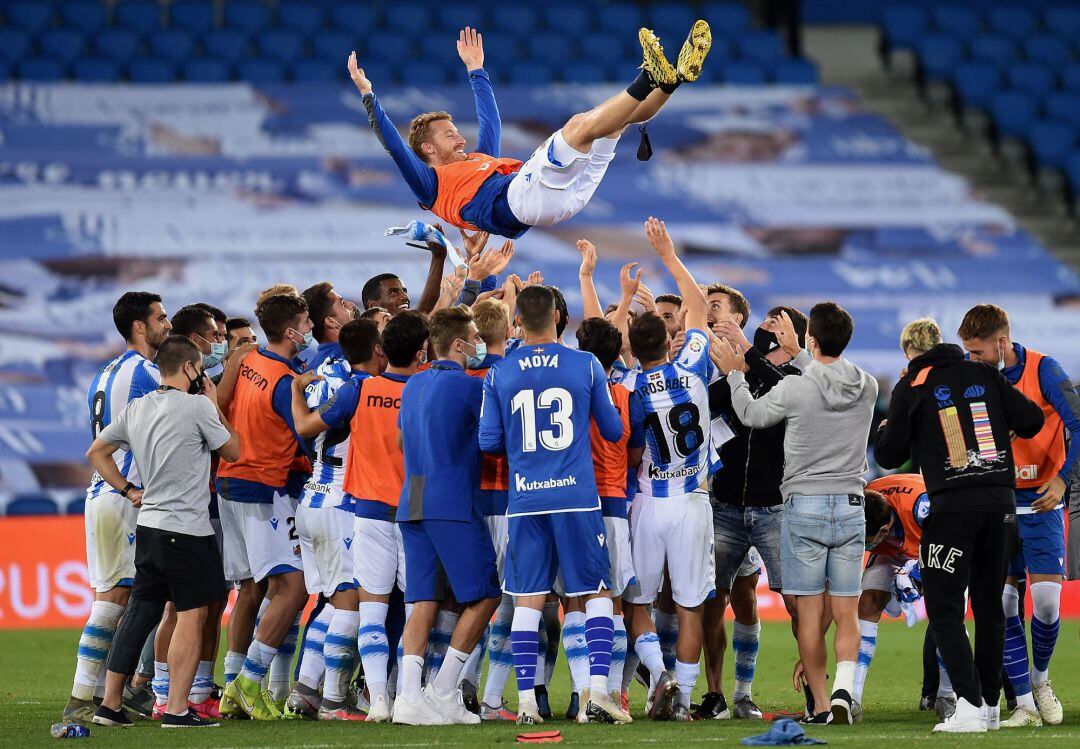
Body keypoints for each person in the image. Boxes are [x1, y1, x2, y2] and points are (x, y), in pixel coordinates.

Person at [349, 24, 711, 238]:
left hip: (559, 202)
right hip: (521, 200)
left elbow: (491, 122)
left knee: (611, 126)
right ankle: (648, 76)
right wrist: (368, 96)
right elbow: (396, 148)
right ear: (428, 149)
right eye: (449, 135)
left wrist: (476, 70)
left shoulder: (477, 161)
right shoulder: (430, 185)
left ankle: (672, 80)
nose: (460, 138)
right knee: (578, 124)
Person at [718, 302, 878, 726]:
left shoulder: (794, 387)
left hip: (804, 505)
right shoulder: (866, 385)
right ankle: (844, 690)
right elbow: (828, 379)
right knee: (846, 612)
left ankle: (822, 706)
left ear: (811, 338)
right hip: (851, 505)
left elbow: (751, 414)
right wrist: (801, 352)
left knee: (808, 613)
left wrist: (736, 375)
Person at [875, 334, 1044, 733]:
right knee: (989, 607)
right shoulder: (983, 373)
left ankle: (968, 704)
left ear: (912, 354)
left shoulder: (913, 384)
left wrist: (889, 428)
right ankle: (989, 705)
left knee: (944, 607)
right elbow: (1032, 420)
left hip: (953, 508)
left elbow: (889, 454)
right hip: (1001, 506)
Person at [479, 284, 627, 726]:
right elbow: (613, 430)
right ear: (559, 317)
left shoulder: (500, 373)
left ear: (517, 322)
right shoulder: (586, 364)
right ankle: (597, 695)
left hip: (526, 499)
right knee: (596, 591)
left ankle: (526, 702)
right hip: (576, 497)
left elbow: (488, 441)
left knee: (528, 598)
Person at [86, 335, 239, 729]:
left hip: (150, 526)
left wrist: (128, 490)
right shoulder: (196, 407)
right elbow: (235, 451)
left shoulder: (138, 407)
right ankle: (176, 709)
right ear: (189, 367)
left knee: (139, 614)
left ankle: (110, 705)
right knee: (192, 614)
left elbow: (96, 452)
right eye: (199, 366)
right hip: (187, 529)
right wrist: (215, 405)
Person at [293, 311, 429, 722]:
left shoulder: (354, 388)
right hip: (395, 505)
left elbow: (305, 426)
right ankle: (341, 698)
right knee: (398, 607)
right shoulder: (422, 387)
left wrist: (297, 388)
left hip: (343, 502)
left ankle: (332, 692)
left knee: (352, 605)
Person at [956, 304, 1080, 729]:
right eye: (967, 351)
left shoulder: (1045, 370)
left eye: (977, 351)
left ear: (1002, 342)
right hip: (999, 504)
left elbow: (1078, 424)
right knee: (1004, 603)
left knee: (1046, 604)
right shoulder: (973, 377)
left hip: (1043, 503)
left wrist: (1063, 479)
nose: (971, 358)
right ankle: (1024, 704)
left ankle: (1041, 681)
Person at [621, 218, 714, 722]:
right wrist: (669, 255)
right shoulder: (692, 364)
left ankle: (660, 674)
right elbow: (696, 304)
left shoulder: (629, 388)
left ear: (635, 350)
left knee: (637, 602)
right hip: (693, 500)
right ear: (670, 339)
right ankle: (683, 699)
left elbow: (633, 452)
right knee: (690, 605)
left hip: (648, 501)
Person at [62, 292, 170, 725]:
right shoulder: (146, 372)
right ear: (139, 326)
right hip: (123, 494)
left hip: (104, 492)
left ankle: (111, 689)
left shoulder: (104, 373)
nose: (167, 325)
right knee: (114, 599)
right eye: (160, 318)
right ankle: (81, 696)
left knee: (127, 595)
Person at [394, 307, 502, 725]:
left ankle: (408, 697)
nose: (479, 344)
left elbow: (401, 441)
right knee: (486, 594)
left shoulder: (413, 384)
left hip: (413, 497)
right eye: (475, 338)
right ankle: (442, 691)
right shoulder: (472, 387)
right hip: (451, 498)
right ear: (458, 344)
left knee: (423, 599)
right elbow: (494, 440)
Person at [702, 306, 809, 721]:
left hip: (774, 507)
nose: (764, 326)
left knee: (797, 601)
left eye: (773, 323)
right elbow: (704, 407)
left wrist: (745, 359)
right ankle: (715, 694)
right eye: (764, 321)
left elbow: (779, 387)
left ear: (790, 336)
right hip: (725, 504)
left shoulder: (799, 378)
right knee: (712, 599)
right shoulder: (741, 370)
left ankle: (810, 689)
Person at [217, 294, 315, 721]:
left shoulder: (249, 359)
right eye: (306, 322)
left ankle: (231, 683)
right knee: (294, 588)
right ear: (291, 331)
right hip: (263, 488)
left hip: (229, 481)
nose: (310, 328)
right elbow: (307, 434)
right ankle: (249, 682)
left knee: (252, 589)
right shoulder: (283, 382)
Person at [286, 318, 386, 720]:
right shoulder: (361, 388)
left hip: (312, 500)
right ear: (377, 349)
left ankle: (305, 689)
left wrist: (296, 390)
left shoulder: (326, 381)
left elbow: (304, 426)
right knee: (350, 606)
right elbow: (308, 426)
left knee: (333, 602)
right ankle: (333, 701)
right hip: (340, 506)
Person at [575, 316, 644, 718]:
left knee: (574, 600)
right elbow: (635, 456)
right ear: (617, 354)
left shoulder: (570, 391)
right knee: (612, 600)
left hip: (573, 500)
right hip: (614, 502)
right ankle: (612, 694)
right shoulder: (625, 396)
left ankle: (581, 695)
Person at [466, 298, 518, 720]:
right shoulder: (513, 376)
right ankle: (491, 699)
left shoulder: (458, 374)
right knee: (508, 600)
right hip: (505, 497)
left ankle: (459, 683)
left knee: (467, 598)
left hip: (465, 499)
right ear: (508, 331)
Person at [854, 475, 938, 721]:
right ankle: (853, 696)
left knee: (945, 609)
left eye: (866, 544)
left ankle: (946, 694)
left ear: (883, 531)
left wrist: (917, 574)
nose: (863, 548)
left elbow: (951, 542)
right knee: (868, 602)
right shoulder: (861, 503)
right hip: (892, 550)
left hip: (933, 544)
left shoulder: (923, 506)